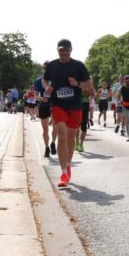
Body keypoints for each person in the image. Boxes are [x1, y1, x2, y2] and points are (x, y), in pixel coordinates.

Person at [43, 39, 91, 188]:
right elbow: (45, 80)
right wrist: (47, 88)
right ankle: (63, 172)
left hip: (75, 106)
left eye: (66, 50)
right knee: (62, 135)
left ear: (71, 50)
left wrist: (77, 84)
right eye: (61, 50)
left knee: (71, 138)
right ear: (57, 50)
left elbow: (89, 85)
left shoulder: (78, 66)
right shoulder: (52, 65)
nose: (63, 52)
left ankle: (68, 165)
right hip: (57, 105)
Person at [34, 62, 57, 158]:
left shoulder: (56, 79)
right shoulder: (39, 81)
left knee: (56, 127)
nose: (47, 70)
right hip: (44, 105)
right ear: (43, 69)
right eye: (45, 68)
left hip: (55, 105)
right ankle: (47, 147)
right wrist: (41, 98)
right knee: (45, 129)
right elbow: (35, 96)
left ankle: (52, 143)